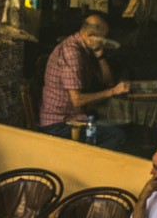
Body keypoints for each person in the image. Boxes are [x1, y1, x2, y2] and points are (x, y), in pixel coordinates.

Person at [37, 12, 128, 150]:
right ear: (91, 35)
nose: (105, 42)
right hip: (59, 124)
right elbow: (77, 100)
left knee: (122, 123)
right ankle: (87, 164)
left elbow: (108, 81)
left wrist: (100, 56)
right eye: (103, 39)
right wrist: (112, 92)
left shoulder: (84, 48)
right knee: (118, 135)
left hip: (75, 115)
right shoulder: (72, 53)